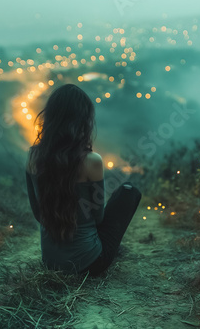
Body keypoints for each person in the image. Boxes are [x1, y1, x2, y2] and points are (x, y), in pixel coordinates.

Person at [25, 83, 141, 276]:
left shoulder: (32, 157)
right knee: (129, 191)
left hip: (51, 263)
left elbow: (38, 213)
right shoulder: (91, 161)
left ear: (50, 117)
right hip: (90, 263)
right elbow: (98, 218)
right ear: (83, 120)